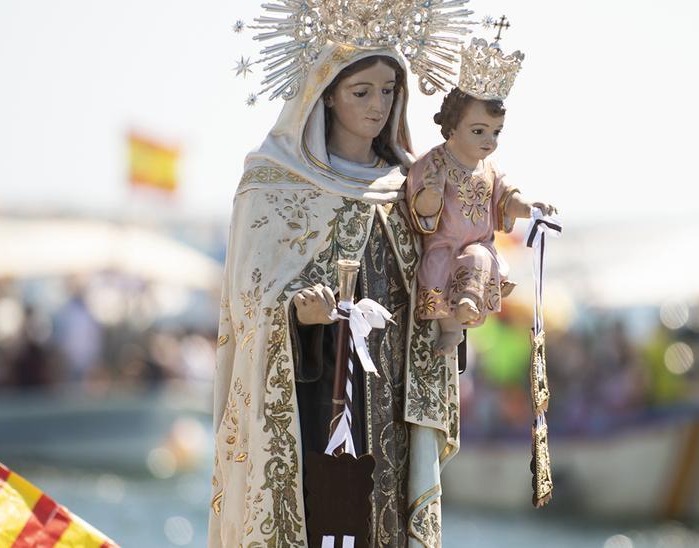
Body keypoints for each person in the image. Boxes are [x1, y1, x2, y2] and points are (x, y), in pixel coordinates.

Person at [209, 44, 461, 547]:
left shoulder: (414, 189)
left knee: (381, 515)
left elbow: (430, 285)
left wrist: (455, 304)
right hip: (310, 394)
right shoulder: (272, 185)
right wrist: (297, 316)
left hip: (390, 398)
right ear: (325, 97)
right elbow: (249, 304)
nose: (378, 106)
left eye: (389, 92)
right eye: (361, 92)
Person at [406, 86, 555, 356]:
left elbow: (508, 199)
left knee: (478, 257)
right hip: (443, 246)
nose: (489, 140)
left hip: (480, 245)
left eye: (495, 132)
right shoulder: (433, 164)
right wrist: (432, 192)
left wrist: (530, 208)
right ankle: (452, 330)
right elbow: (421, 210)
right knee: (436, 270)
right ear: (452, 127)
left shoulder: (491, 168)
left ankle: (469, 300)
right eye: (479, 131)